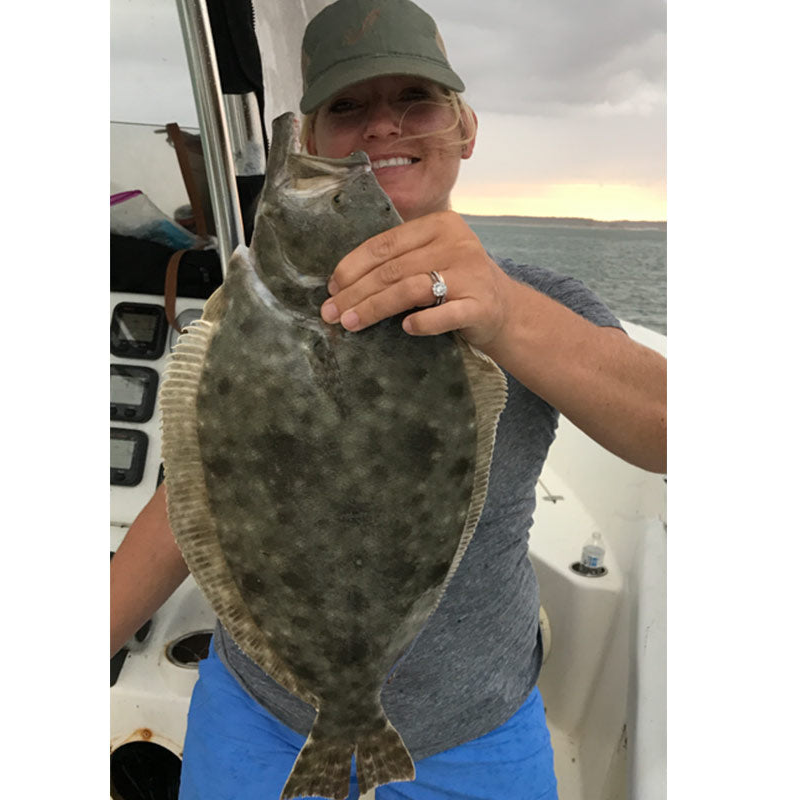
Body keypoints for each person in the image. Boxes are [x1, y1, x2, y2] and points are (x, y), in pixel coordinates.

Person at [110, 1, 667, 798]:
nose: (383, 127)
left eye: (417, 100)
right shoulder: (255, 304)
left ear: (465, 130)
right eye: (347, 108)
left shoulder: (540, 304)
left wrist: (504, 313)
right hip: (259, 712)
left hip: (474, 732)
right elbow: (207, 485)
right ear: (309, 142)